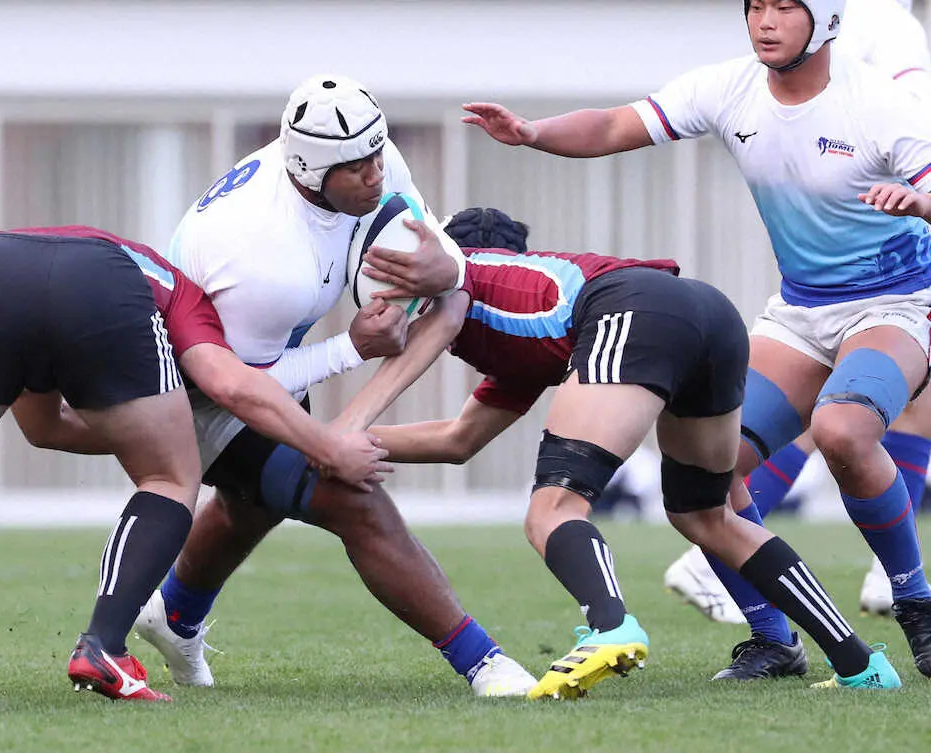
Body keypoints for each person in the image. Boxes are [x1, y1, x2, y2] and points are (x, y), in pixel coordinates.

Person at [461, 0, 931, 681]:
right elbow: (618, 123)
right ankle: (774, 639)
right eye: (756, 6)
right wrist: (532, 132)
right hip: (799, 314)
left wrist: (917, 201)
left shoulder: (879, 104)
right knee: (704, 478)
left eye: (785, 8)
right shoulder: (729, 87)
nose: (765, 21)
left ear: (827, 21)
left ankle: (915, 600)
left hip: (898, 302)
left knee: (842, 430)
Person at [0, 225, 392, 704]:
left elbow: (43, 429)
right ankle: (102, 647)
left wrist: (150, 430)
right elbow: (231, 386)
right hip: (100, 286)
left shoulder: (103, 258)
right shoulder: (184, 293)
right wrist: (326, 440)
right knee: (170, 478)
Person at [339, 205, 901, 697]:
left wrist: (347, 421)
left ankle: (611, 627)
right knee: (707, 514)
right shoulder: (525, 328)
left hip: (631, 309)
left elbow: (450, 307)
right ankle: (860, 664)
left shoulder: (460, 281)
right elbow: (458, 439)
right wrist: (326, 443)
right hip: (706, 314)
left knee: (552, 509)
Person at [131, 74, 538, 698]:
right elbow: (236, 388)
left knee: (258, 496)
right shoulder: (259, 259)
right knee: (351, 494)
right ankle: (484, 663)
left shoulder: (365, 156)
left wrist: (446, 265)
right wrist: (348, 359)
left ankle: (175, 612)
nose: (377, 175)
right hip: (188, 391)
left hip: (266, 357)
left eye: (380, 154)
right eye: (357, 168)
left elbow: (446, 273)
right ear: (307, 169)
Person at [664, 0, 931, 627]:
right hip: (842, 287)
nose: (767, 19)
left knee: (852, 417)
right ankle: (806, 599)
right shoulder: (884, 23)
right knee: (852, 415)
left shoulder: (870, 31)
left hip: (893, 277)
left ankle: (893, 582)